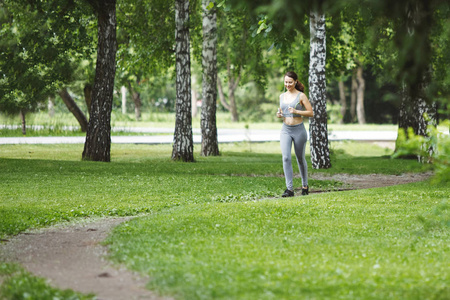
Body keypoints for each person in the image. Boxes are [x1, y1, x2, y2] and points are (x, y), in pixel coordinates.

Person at [276, 71, 314, 197]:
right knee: (286, 157)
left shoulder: (301, 96)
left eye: (290, 82)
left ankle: (304, 185)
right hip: (286, 129)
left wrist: (297, 111)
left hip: (299, 130)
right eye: (286, 82)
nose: (288, 84)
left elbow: (310, 113)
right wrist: (279, 115)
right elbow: (281, 111)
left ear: (296, 82)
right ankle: (289, 189)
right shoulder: (282, 96)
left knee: (300, 158)